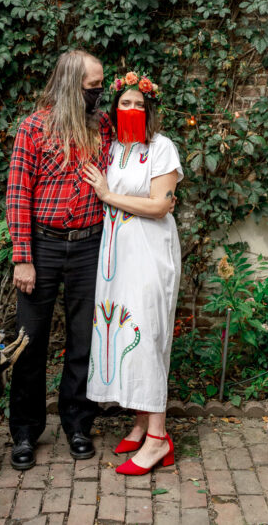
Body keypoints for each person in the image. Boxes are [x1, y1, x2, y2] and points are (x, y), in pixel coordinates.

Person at [6, 49, 111, 470]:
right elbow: (17, 194)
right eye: (92, 87)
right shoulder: (32, 129)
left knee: (84, 340)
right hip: (43, 247)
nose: (99, 94)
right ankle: (25, 432)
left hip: (90, 246)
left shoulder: (102, 126)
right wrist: (22, 258)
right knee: (28, 343)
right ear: (71, 86)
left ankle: (78, 423)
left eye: (102, 85)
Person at [81, 71, 183, 475]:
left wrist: (107, 195)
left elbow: (161, 205)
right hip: (116, 256)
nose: (132, 109)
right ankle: (141, 422)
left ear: (149, 109)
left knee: (146, 336)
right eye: (125, 104)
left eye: (139, 105)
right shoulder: (112, 148)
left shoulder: (161, 148)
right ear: (114, 109)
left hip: (150, 252)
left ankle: (158, 438)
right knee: (122, 331)